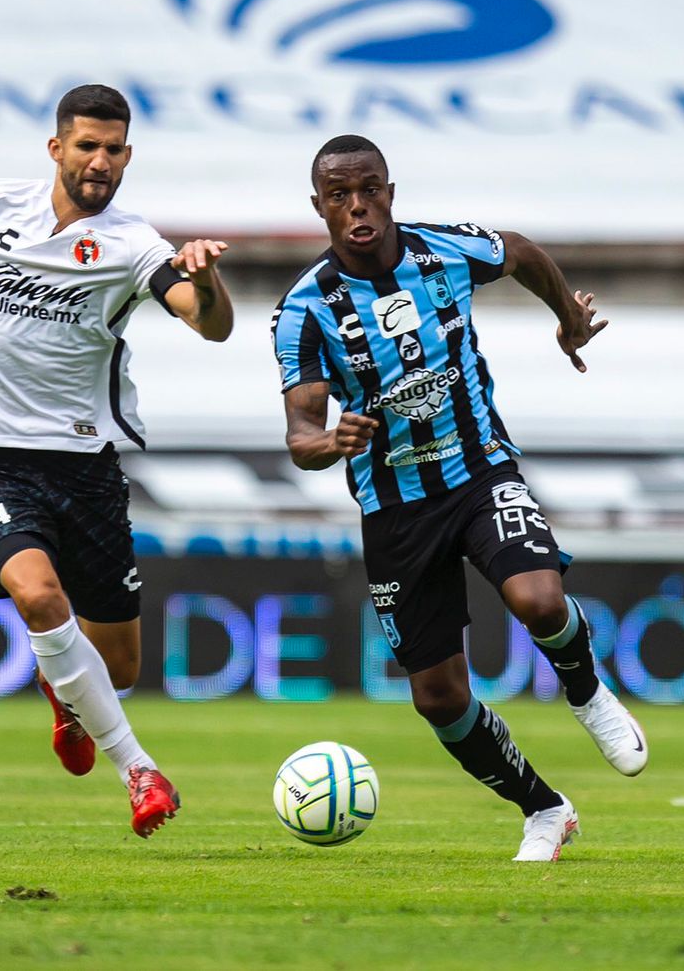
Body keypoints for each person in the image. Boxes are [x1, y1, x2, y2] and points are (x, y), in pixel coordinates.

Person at [0, 84, 234, 837]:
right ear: (56, 149)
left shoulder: (134, 244)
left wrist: (206, 276)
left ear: (128, 156)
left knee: (116, 669)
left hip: (85, 467)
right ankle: (140, 770)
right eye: (87, 146)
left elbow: (210, 326)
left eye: (114, 149)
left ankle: (69, 696)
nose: (100, 161)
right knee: (37, 600)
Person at [272, 134, 648, 862]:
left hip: (481, 475)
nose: (358, 207)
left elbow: (524, 252)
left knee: (539, 601)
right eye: (339, 196)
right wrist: (332, 442)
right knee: (438, 697)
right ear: (318, 207)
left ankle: (586, 693)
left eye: (370, 189)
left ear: (389, 191)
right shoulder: (303, 311)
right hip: (395, 512)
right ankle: (544, 810)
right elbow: (299, 435)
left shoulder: (445, 251)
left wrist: (567, 316)